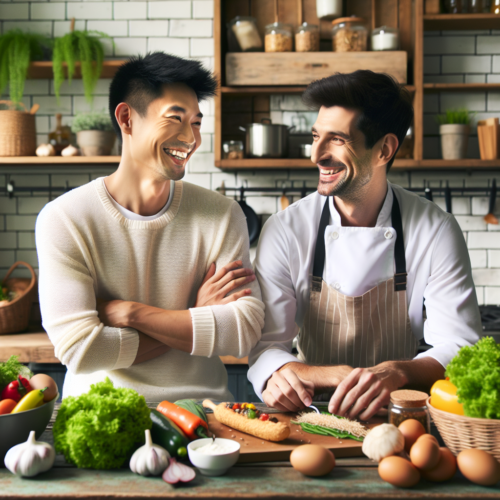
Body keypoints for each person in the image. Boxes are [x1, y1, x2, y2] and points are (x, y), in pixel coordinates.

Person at [248, 70, 481, 420]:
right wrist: (289, 375)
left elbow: (460, 347)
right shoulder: (286, 229)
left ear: (384, 149)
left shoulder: (435, 230)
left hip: (400, 414)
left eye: (337, 140)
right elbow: (267, 346)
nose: (317, 155)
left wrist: (396, 372)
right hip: (313, 412)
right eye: (316, 136)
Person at [36, 52, 264, 402]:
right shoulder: (65, 218)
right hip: (101, 415)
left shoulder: (222, 214)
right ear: (127, 118)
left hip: (205, 417)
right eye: (175, 118)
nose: (191, 138)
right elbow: (81, 349)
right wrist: (196, 318)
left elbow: (242, 331)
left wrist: (131, 313)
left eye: (197, 122)